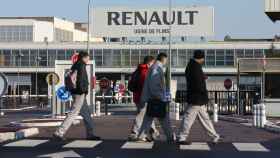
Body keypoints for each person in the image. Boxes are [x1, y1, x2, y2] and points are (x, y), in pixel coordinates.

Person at [53, 51, 101, 141]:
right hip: (79, 93)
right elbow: (81, 80)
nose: (88, 59)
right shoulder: (81, 65)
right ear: (84, 57)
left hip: (77, 92)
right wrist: (83, 91)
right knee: (73, 112)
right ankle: (59, 133)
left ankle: (90, 134)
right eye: (88, 57)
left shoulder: (75, 65)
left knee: (86, 114)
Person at [177, 50, 220, 145]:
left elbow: (195, 79)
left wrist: (202, 77)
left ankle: (214, 136)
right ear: (201, 58)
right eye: (203, 58)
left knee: (204, 118)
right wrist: (203, 91)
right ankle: (181, 137)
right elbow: (197, 83)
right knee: (189, 118)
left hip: (196, 97)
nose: (203, 60)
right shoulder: (195, 67)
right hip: (197, 97)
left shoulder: (191, 66)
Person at [136, 53, 175, 142]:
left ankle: (141, 136)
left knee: (149, 118)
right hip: (156, 98)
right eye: (167, 60)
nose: (167, 62)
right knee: (163, 118)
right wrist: (160, 97)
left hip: (153, 98)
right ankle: (170, 136)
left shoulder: (154, 67)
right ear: (164, 59)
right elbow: (154, 85)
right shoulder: (157, 68)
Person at [128, 56, 159, 141]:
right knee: (141, 115)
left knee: (148, 114)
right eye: (153, 63)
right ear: (149, 63)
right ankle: (134, 133)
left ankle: (153, 132)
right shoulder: (145, 72)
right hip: (144, 97)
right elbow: (146, 86)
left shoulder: (138, 70)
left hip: (138, 96)